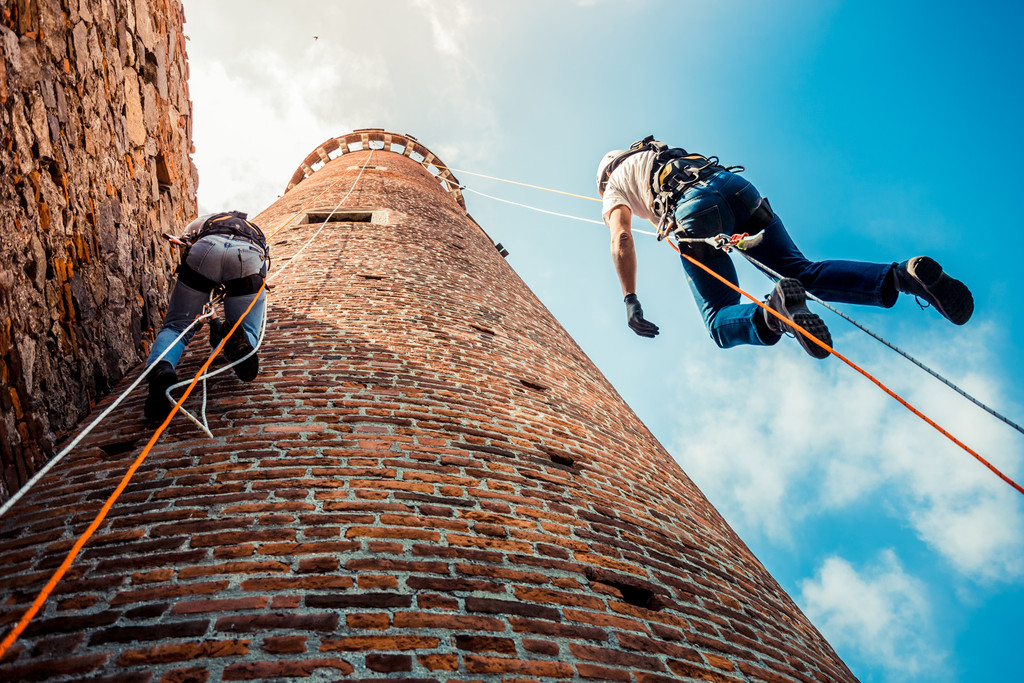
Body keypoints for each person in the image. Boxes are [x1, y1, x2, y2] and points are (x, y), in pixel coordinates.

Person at [597, 138, 973, 358]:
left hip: (694, 212)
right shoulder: (656, 153)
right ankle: (904, 276)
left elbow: (622, 238)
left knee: (719, 320)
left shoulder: (614, 185)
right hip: (737, 189)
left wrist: (630, 300)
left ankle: (774, 314)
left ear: (605, 177)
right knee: (801, 271)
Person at [144, 211, 269, 421]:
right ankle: (242, 341)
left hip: (207, 248)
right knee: (246, 327)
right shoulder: (255, 230)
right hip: (249, 254)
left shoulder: (207, 220)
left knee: (176, 326)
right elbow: (263, 263)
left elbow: (185, 243)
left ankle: (162, 369)